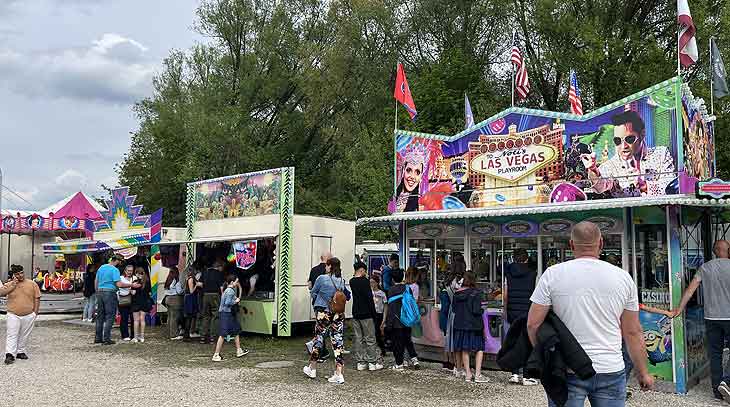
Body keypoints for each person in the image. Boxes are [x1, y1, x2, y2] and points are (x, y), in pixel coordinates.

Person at [527, 221, 653, 407]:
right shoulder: (623, 278)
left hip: (568, 368)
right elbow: (632, 331)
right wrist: (643, 372)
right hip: (611, 368)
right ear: (601, 243)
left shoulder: (552, 275)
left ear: (571, 245)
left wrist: (548, 358)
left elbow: (533, 324)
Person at [671, 240, 730, 402]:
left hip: (711, 318)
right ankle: (727, 382)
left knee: (715, 353)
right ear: (727, 250)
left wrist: (679, 309)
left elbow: (690, 291)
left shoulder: (705, 268)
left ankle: (717, 391)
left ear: (714, 251)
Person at [598, 110, 675, 196]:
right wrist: (592, 169)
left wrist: (643, 185)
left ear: (642, 135)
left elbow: (671, 188)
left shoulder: (660, 154)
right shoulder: (610, 166)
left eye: (629, 139)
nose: (623, 146)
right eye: (617, 140)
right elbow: (599, 186)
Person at [303, 257, 350, 384]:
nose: (325, 267)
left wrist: (314, 293)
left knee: (319, 339)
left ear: (329, 266)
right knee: (338, 342)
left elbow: (313, 292)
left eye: (326, 265)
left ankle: (312, 368)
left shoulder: (322, 278)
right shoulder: (341, 280)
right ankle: (339, 374)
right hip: (338, 314)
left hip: (324, 313)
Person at [504, 248, 539, 386]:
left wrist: (506, 310)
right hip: (527, 311)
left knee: (514, 341)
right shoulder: (533, 273)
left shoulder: (508, 273)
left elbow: (505, 295)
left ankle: (514, 374)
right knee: (527, 343)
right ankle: (527, 375)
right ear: (526, 258)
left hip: (513, 311)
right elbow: (537, 295)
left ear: (514, 258)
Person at [452, 271, 489, 383]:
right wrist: (483, 309)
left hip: (460, 324)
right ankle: (477, 374)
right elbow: (476, 310)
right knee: (479, 348)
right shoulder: (476, 293)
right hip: (474, 325)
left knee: (465, 349)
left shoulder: (457, 293)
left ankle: (468, 374)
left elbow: (454, 309)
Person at [0, 265, 41, 364]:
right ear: (14, 275)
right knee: (12, 334)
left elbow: (37, 297)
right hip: (13, 314)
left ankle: (20, 351)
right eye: (17, 274)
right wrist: (13, 285)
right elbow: (1, 293)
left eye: (21, 273)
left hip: (29, 314)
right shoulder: (9, 284)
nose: (20, 275)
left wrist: (35, 312)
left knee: (24, 334)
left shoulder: (32, 284)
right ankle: (9, 354)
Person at [381, 268, 420, 371]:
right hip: (407, 320)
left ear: (393, 279)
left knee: (397, 343)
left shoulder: (391, 290)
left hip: (396, 321)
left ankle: (399, 364)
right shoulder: (408, 288)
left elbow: (391, 308)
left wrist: (388, 324)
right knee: (408, 340)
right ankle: (414, 359)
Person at [95, 254, 136, 345]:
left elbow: (96, 281)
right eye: (120, 262)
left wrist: (97, 292)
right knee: (110, 316)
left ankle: (98, 338)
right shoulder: (115, 270)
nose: (120, 264)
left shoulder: (101, 267)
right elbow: (119, 284)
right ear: (117, 261)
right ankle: (107, 338)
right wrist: (131, 285)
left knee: (100, 316)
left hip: (100, 292)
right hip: (110, 293)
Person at [350, 262, 383, 371]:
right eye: (364, 270)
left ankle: (360, 362)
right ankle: (372, 362)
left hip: (355, 313)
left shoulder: (352, 281)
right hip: (367, 314)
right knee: (370, 338)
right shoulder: (365, 281)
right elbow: (369, 299)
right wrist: (374, 314)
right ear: (361, 270)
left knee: (359, 339)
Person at [212, 275, 249, 361]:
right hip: (226, 314)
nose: (237, 283)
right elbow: (228, 303)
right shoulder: (230, 291)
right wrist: (235, 301)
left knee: (236, 330)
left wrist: (235, 298)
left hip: (228, 314)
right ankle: (216, 354)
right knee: (223, 334)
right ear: (232, 282)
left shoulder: (228, 290)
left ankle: (239, 350)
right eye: (236, 281)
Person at [197, 260, 225, 344]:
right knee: (215, 315)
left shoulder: (205, 272)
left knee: (206, 315)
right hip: (215, 295)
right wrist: (223, 297)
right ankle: (213, 337)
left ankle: (203, 337)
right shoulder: (218, 274)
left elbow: (200, 284)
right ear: (219, 267)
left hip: (205, 295)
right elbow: (221, 288)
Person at [131, 267, 152, 343]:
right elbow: (149, 293)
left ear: (137, 274)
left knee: (136, 320)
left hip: (136, 302)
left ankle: (135, 337)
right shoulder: (147, 282)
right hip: (144, 302)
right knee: (142, 320)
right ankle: (142, 337)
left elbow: (133, 293)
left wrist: (131, 288)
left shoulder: (135, 282)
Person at [164, 266, 185, 340]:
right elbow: (179, 291)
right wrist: (184, 290)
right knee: (175, 318)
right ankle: (174, 334)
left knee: (169, 317)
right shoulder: (176, 281)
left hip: (167, 298)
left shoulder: (168, 280)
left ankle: (168, 333)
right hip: (175, 299)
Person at [118, 265, 136, 341]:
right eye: (128, 270)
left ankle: (133, 335)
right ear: (125, 271)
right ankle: (125, 335)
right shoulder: (120, 278)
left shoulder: (135, 278)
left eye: (131, 271)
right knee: (124, 318)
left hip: (133, 300)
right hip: (123, 300)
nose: (129, 272)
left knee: (133, 318)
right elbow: (118, 287)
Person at [182, 267, 200, 342]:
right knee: (189, 317)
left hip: (189, 298)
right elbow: (191, 291)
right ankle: (186, 336)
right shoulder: (191, 279)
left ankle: (187, 335)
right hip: (190, 299)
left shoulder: (188, 278)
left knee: (189, 317)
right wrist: (197, 285)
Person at [370, 278, 387, 357]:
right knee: (371, 333)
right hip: (371, 314)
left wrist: (384, 319)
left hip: (379, 314)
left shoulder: (382, 293)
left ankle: (382, 349)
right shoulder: (369, 292)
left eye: (373, 282)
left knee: (378, 333)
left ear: (377, 283)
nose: (371, 284)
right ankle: (374, 350)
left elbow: (386, 306)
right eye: (370, 282)